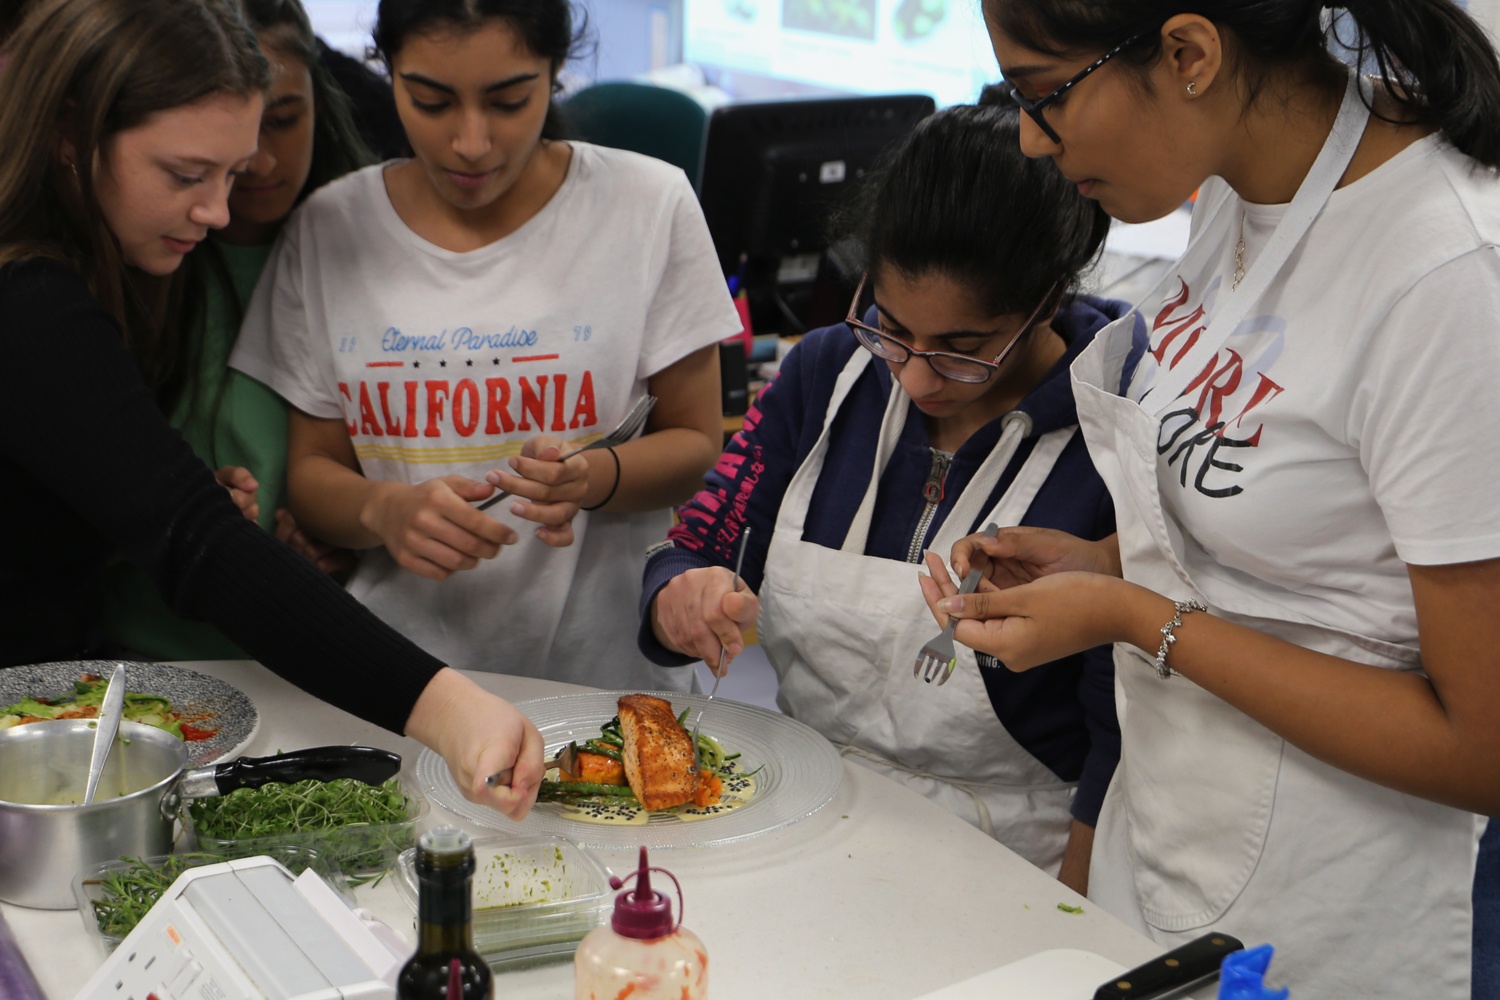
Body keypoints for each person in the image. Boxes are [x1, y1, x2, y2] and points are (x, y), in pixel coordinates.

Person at [920, 2, 1500, 996]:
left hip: (1348, 898)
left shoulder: (1448, 280)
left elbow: (1479, 744)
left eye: (1041, 94)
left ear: (1188, 54)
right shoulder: (1241, 183)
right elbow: (1304, 542)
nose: (1028, 138)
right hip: (1179, 838)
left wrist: (1135, 614)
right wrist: (1106, 564)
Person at [0, 0, 542, 819]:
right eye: (186, 176)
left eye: (230, 173)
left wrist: (132, 493)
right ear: (70, 134)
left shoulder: (85, 268)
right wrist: (449, 710)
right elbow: (202, 547)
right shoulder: (29, 301)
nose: (218, 211)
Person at [643, 100, 1125, 891]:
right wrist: (680, 599)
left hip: (1010, 863)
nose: (918, 377)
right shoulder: (824, 377)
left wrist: (1075, 907)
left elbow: (1120, 729)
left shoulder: (1114, 427)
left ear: (1047, 300)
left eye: (964, 350)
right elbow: (696, 547)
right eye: (893, 328)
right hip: (802, 816)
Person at [231, 0, 741, 690]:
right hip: (395, 683)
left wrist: (594, 478)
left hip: (600, 683)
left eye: (508, 102)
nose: (470, 142)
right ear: (388, 74)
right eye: (431, 101)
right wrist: (383, 510)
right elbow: (313, 472)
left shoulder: (648, 205)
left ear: (555, 72)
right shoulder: (328, 228)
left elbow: (696, 444)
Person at [101, 0, 370, 660]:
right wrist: (175, 513)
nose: (262, 163)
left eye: (285, 120)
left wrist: (351, 527)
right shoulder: (122, 268)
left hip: (314, 654)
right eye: (190, 170)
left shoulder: (368, 246)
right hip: (138, 656)